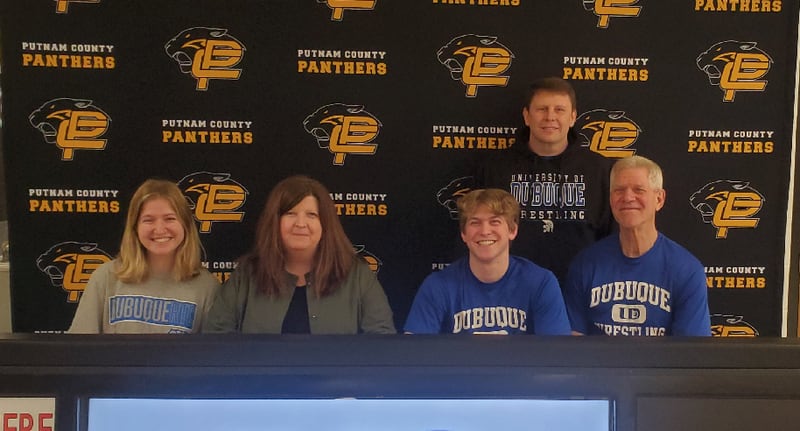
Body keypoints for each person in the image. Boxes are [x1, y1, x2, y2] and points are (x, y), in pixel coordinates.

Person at [204, 175, 396, 334]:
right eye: (290, 214)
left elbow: (382, 340)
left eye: (311, 215)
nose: (300, 223)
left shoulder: (357, 274)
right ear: (275, 221)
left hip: (339, 381)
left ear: (325, 223)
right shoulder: (247, 274)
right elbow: (216, 337)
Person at [475, 77, 614, 287]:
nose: (550, 117)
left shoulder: (599, 169)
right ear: (526, 116)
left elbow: (612, 236)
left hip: (580, 291)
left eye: (559, 110)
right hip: (510, 288)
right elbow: (478, 232)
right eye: (542, 109)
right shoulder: (496, 168)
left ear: (573, 117)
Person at [564, 156, 711, 336]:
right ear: (610, 199)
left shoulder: (686, 270)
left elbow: (690, 354)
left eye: (639, 190)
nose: (628, 197)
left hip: (661, 365)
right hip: (599, 365)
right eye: (619, 190)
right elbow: (573, 344)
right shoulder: (585, 264)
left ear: (659, 199)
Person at [404, 188, 570, 335]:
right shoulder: (437, 286)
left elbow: (555, 357)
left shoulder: (541, 283)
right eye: (475, 223)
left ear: (512, 230)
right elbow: (414, 356)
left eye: (495, 222)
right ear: (464, 234)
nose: (484, 231)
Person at [68, 179, 219, 334]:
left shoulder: (206, 286)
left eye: (170, 218)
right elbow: (79, 351)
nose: (159, 229)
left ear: (185, 225)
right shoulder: (105, 278)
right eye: (148, 220)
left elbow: (212, 354)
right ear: (135, 227)